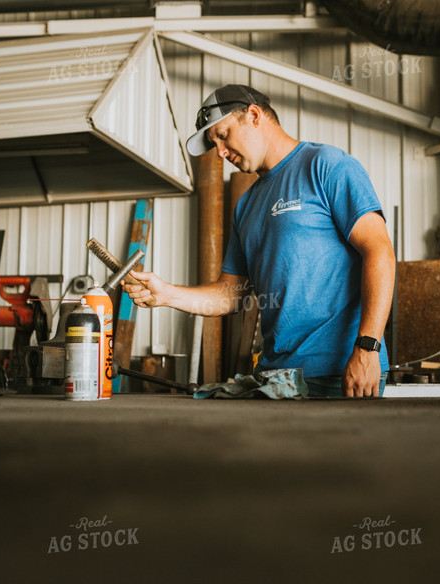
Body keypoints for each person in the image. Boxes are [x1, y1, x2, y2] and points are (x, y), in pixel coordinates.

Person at [125, 84, 395, 397]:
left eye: (223, 135)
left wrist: (367, 349)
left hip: (339, 374)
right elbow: (231, 295)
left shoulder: (327, 166)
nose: (221, 152)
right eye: (215, 145)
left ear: (253, 115)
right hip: (276, 380)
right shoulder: (247, 204)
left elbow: (380, 253)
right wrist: (167, 294)